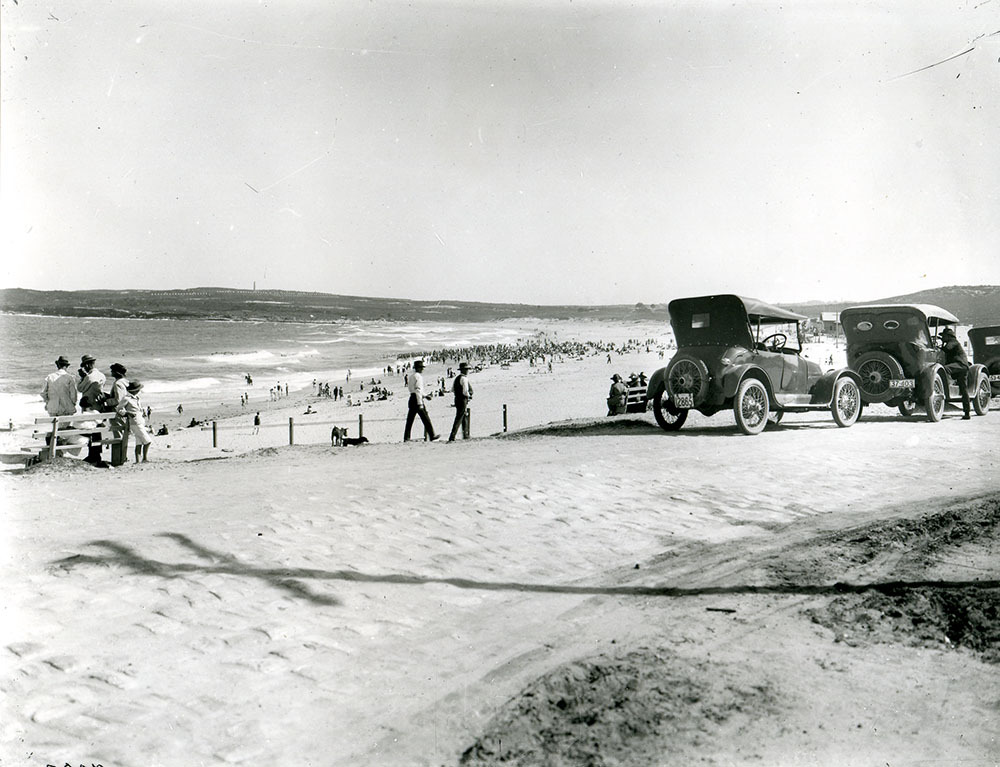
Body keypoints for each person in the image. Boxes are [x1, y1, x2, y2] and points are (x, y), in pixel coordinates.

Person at [115, 380, 153, 462]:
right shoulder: (126, 398)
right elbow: (118, 408)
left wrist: (143, 412)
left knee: (139, 442)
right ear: (134, 390)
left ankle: (137, 460)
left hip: (140, 421)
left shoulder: (137, 398)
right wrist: (127, 413)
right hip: (134, 422)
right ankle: (145, 458)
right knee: (148, 441)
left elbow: (138, 409)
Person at [403, 360, 440, 441]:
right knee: (425, 418)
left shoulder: (412, 376)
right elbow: (418, 390)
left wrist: (425, 396)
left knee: (410, 420)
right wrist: (420, 402)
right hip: (417, 399)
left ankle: (406, 437)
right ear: (419, 368)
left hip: (412, 398)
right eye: (421, 368)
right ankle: (432, 435)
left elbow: (412, 389)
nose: (422, 369)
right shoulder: (419, 377)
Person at [940, 326, 971, 419]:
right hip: (962, 367)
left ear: (949, 336)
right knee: (963, 389)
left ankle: (946, 385)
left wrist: (939, 345)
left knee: (944, 368)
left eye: (943, 336)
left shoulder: (953, 342)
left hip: (960, 364)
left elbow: (945, 350)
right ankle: (967, 413)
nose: (942, 338)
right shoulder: (952, 342)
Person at [448, 361, 474, 442]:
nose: (467, 371)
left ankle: (465, 434)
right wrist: (469, 397)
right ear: (463, 370)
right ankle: (452, 436)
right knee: (459, 417)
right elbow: (465, 391)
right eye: (466, 369)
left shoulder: (457, 378)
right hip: (463, 399)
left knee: (463, 416)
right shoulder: (464, 379)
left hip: (457, 399)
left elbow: (452, 389)